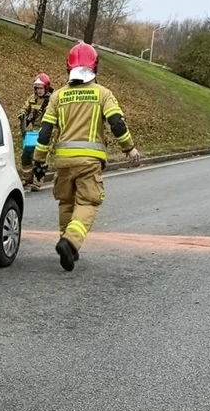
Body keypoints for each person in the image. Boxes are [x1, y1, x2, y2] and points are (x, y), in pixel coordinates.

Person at [32, 42, 139, 272]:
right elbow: (117, 124)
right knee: (88, 202)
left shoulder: (58, 96)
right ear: (95, 67)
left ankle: (68, 247)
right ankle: (70, 242)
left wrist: (39, 159)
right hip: (89, 162)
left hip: (63, 161)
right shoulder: (103, 94)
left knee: (66, 202)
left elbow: (45, 132)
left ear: (68, 67)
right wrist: (129, 148)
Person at [18, 73, 54, 191]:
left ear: (46, 88)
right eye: (37, 88)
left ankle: (37, 181)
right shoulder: (32, 99)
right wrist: (22, 114)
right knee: (26, 155)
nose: (38, 90)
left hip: (46, 132)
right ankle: (27, 179)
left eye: (41, 88)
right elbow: (24, 108)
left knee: (40, 158)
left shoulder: (52, 100)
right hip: (33, 132)